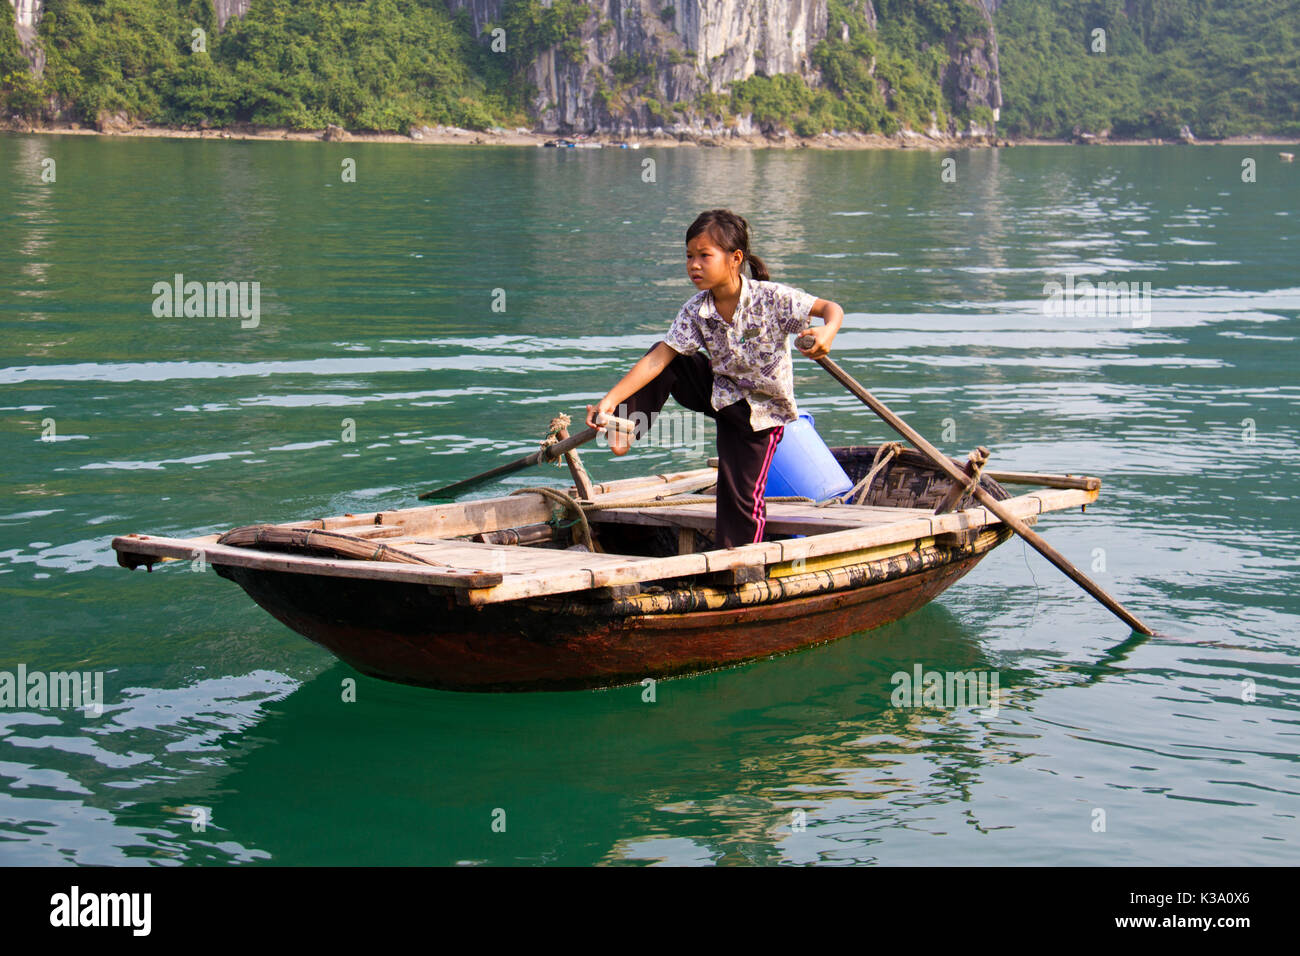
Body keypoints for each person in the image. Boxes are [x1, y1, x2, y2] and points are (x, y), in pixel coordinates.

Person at [586, 209, 843, 550]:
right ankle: (625, 426)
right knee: (669, 357)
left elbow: (831, 309)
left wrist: (827, 332)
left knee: (739, 498)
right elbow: (658, 359)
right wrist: (610, 401)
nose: (694, 265)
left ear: (735, 258)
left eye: (704, 256)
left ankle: (738, 563)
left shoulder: (772, 298)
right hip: (719, 393)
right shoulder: (696, 309)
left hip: (760, 417)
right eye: (689, 256)